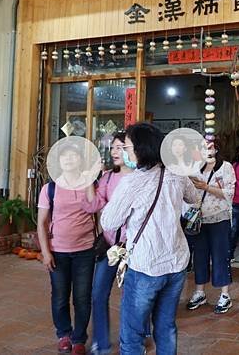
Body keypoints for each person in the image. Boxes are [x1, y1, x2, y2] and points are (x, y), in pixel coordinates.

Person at [101, 122, 199, 355]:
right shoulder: (176, 173)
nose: (125, 151)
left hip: (146, 265)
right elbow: (193, 197)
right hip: (176, 264)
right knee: (166, 327)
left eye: (127, 146)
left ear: (141, 149)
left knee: (132, 334)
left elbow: (108, 222)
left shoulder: (132, 182)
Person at [36, 143, 98, 355]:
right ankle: (64, 334)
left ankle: (79, 338)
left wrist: (89, 182)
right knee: (60, 296)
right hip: (58, 251)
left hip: (86, 250)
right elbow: (42, 223)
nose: (69, 159)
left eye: (74, 156)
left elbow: (95, 208)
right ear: (58, 161)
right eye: (65, 157)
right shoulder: (50, 188)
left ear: (80, 160)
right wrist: (46, 252)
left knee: (82, 296)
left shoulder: (90, 183)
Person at [86, 132, 136, 355]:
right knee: (98, 293)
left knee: (132, 297)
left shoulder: (140, 177)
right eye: (114, 148)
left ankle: (133, 339)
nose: (115, 152)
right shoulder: (107, 178)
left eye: (121, 147)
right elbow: (93, 206)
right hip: (109, 246)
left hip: (133, 247)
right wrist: (89, 179)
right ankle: (101, 342)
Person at [186, 142, 236, 314]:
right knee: (199, 256)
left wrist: (206, 187)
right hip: (199, 220)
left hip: (219, 218)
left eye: (210, 148)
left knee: (220, 255)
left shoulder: (225, 167)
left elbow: (229, 193)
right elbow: (187, 194)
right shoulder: (194, 168)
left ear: (216, 150)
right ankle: (200, 292)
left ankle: (224, 295)